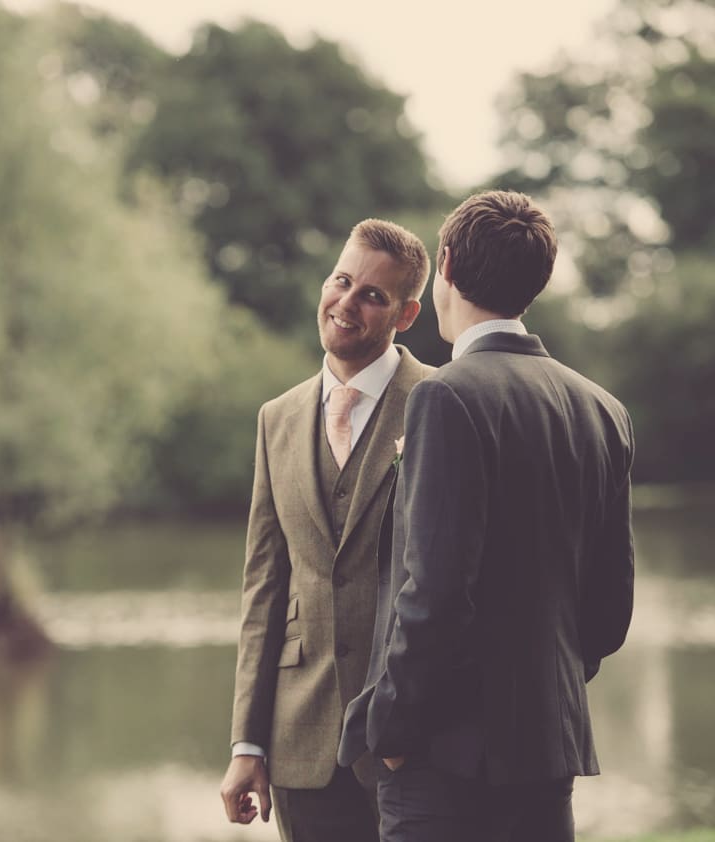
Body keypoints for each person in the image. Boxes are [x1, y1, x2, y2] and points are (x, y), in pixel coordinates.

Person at [338, 190, 635, 842]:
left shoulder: (447, 397)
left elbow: (435, 593)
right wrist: (538, 683)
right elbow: (609, 610)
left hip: (446, 761)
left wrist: (391, 730)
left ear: (444, 265)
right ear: (535, 282)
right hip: (547, 749)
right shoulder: (603, 409)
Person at [220, 218, 434, 842]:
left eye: (373, 295)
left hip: (413, 741)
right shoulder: (276, 419)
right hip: (300, 741)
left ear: (406, 314)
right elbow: (263, 588)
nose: (347, 302)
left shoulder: (440, 402)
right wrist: (247, 742)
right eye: (342, 281)